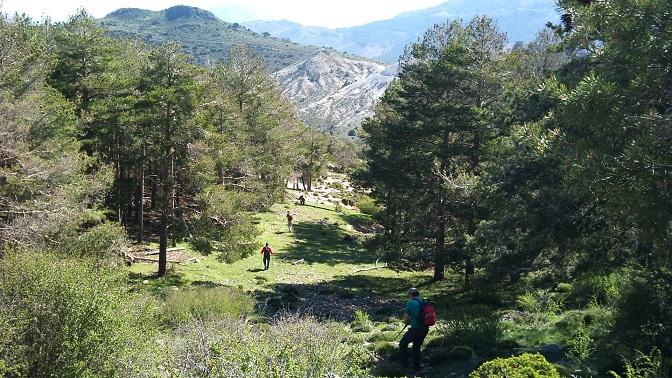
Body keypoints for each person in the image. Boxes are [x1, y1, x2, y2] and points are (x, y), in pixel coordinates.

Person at [400, 287, 429, 373]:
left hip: (415, 329)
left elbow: (405, 319)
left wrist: (408, 322)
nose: (408, 297)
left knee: (402, 344)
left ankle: (404, 364)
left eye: (408, 295)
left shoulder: (410, 303)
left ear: (411, 295)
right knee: (416, 347)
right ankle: (417, 366)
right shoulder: (423, 301)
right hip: (425, 329)